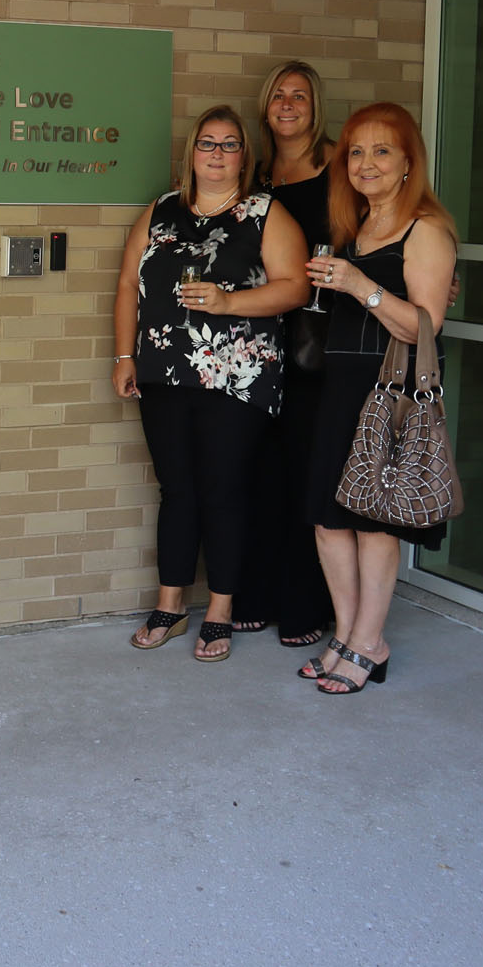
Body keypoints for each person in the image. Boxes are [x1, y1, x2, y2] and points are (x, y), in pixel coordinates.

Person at [114, 104, 310, 662]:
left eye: (229, 144)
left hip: (237, 376)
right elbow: (130, 283)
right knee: (177, 490)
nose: (217, 153)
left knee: (223, 492)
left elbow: (295, 287)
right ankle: (171, 604)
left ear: (244, 156)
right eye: (207, 143)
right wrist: (124, 354)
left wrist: (230, 302)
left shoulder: (265, 213)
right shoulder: (162, 209)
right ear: (191, 151)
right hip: (164, 370)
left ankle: (220, 610)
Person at [299, 102, 458, 694]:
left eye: (381, 151)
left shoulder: (427, 229)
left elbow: (426, 328)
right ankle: (345, 635)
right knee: (327, 517)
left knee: (373, 522)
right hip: (341, 386)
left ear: (409, 162)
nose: (366, 163)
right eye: (356, 152)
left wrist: (361, 286)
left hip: (388, 393)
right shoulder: (355, 227)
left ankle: (371, 642)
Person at [232, 61, 337, 645]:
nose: (287, 103)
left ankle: (304, 603)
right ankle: (256, 591)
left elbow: (389, 228)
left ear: (314, 104)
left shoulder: (341, 165)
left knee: (305, 469)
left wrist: (430, 277)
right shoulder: (255, 172)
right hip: (252, 341)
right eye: (278, 94)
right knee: (256, 469)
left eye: (299, 95)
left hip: (316, 344)